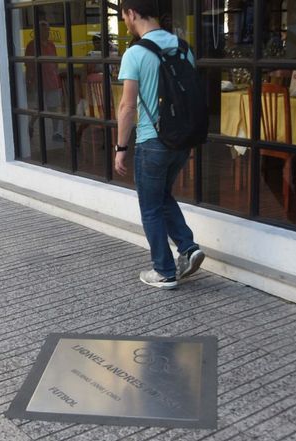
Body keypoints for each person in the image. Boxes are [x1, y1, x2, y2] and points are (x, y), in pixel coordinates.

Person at [114, 0, 204, 289]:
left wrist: (121, 148)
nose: (125, 21)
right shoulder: (183, 47)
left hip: (152, 141)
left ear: (132, 13)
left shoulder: (135, 52)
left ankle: (164, 271)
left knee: (150, 206)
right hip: (181, 139)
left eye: (124, 15)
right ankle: (188, 249)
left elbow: (128, 106)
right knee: (162, 196)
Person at [25, 20, 63, 141]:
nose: (47, 32)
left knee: (54, 108)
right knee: (38, 108)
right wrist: (29, 82)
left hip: (52, 82)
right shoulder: (32, 45)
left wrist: (56, 76)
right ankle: (31, 125)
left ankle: (56, 132)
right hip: (39, 82)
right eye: (44, 30)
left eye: (48, 29)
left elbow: (55, 63)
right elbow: (29, 65)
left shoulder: (51, 45)